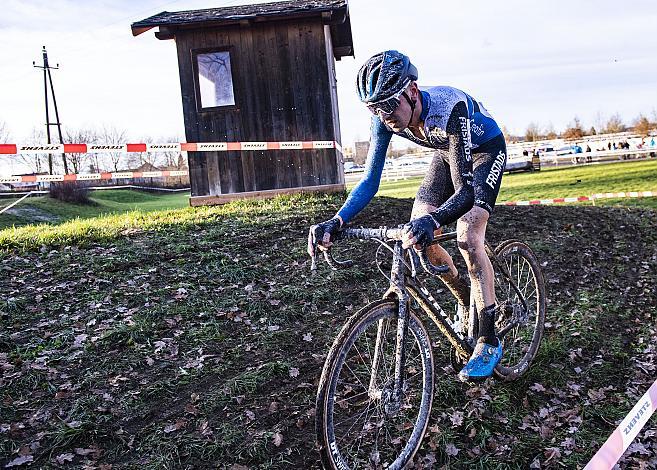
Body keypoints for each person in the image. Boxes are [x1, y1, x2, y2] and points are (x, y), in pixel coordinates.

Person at [308, 50, 508, 382]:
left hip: (484, 151)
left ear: (412, 91)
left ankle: (488, 337)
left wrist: (434, 220)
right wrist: (337, 220)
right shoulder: (385, 118)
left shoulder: (448, 108)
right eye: (375, 108)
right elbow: (370, 180)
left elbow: (465, 193)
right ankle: (463, 298)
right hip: (447, 155)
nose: (384, 115)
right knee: (416, 237)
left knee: (468, 238)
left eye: (389, 105)